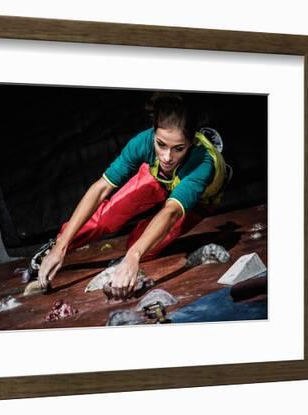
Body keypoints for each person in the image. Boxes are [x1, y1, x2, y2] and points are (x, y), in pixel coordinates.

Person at [31, 92, 229, 300]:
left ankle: (216, 152)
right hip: (159, 177)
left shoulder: (202, 163)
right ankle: (57, 245)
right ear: (153, 133)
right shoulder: (142, 143)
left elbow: (171, 212)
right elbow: (101, 188)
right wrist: (61, 246)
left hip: (196, 198)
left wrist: (133, 255)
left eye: (178, 148)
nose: (167, 157)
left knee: (141, 247)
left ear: (191, 142)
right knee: (107, 216)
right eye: (161, 144)